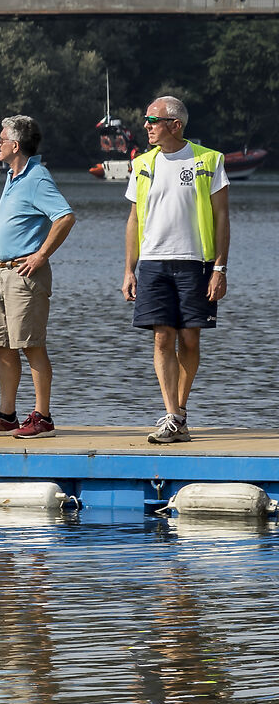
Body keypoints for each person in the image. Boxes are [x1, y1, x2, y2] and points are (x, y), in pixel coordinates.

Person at [123, 95, 230, 444]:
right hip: (153, 263)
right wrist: (129, 269)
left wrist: (220, 268)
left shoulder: (209, 160)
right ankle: (171, 415)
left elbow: (222, 217)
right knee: (162, 337)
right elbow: (134, 218)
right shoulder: (142, 163)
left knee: (189, 338)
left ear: (175, 125)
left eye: (152, 119)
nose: (146, 126)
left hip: (195, 262)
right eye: (147, 120)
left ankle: (180, 412)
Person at [0, 114, 76, 439]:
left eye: (1, 139)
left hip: (25, 276)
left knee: (31, 346)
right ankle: (6, 415)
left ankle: (42, 418)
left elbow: (65, 217)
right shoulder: (13, 176)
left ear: (15, 145)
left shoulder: (37, 177)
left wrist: (41, 254)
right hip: (1, 273)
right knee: (3, 346)